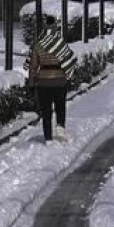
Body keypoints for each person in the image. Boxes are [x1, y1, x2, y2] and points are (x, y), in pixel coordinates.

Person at [25, 16, 77, 144]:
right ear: (55, 27)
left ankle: (48, 137)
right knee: (60, 107)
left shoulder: (38, 44)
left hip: (43, 83)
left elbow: (33, 66)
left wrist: (31, 84)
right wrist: (69, 77)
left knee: (46, 111)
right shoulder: (60, 43)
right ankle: (60, 130)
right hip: (60, 81)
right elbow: (68, 60)